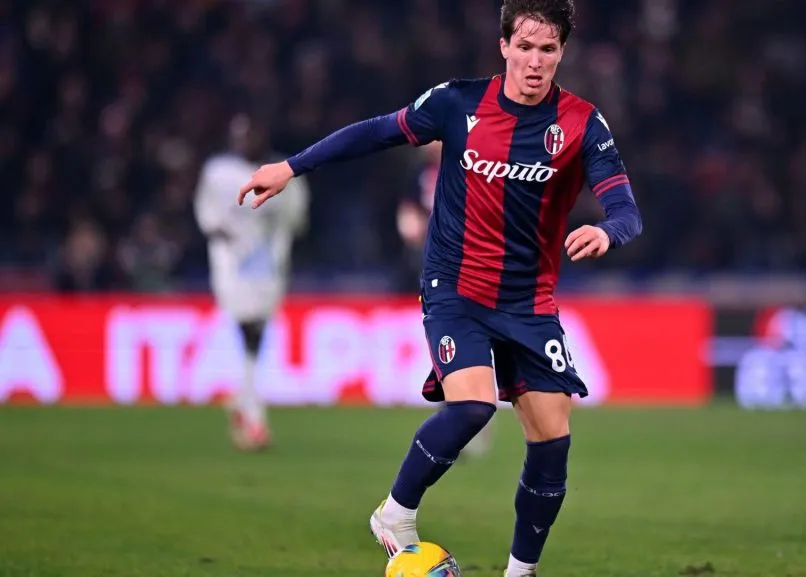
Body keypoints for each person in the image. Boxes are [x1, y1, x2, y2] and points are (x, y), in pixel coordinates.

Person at [237, 1, 642, 573]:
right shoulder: (457, 102)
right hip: (456, 288)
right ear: (503, 46)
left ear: (562, 54)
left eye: (547, 50)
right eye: (523, 47)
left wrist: (607, 232)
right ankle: (395, 513)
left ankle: (519, 572)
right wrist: (292, 167)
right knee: (473, 406)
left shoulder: (581, 124)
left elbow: (627, 209)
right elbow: (377, 132)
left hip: (529, 303)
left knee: (553, 443)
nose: (534, 62)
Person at [195, 110, 309, 451]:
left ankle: (244, 400)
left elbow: (297, 222)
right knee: (248, 330)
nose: (246, 142)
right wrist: (232, 237)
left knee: (254, 335)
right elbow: (207, 217)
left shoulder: (287, 174)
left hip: (270, 270)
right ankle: (251, 412)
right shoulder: (218, 173)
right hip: (232, 268)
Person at [397, 141, 497, 460]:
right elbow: (409, 213)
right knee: (447, 345)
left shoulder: (474, 167)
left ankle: (473, 419)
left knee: (475, 341)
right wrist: (411, 227)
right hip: (437, 269)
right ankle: (457, 419)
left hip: (474, 267)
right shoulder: (420, 175)